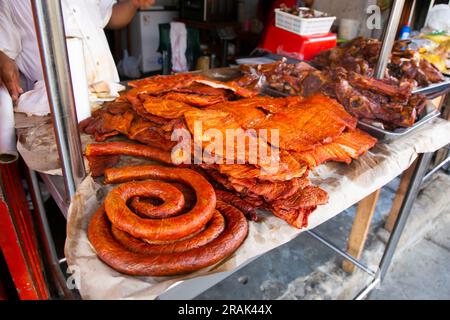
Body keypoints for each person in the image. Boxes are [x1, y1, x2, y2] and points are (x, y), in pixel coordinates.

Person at [0, 0, 155, 102]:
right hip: (56, 107)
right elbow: (4, 52)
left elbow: (111, 17)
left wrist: (133, 4)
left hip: (110, 93)